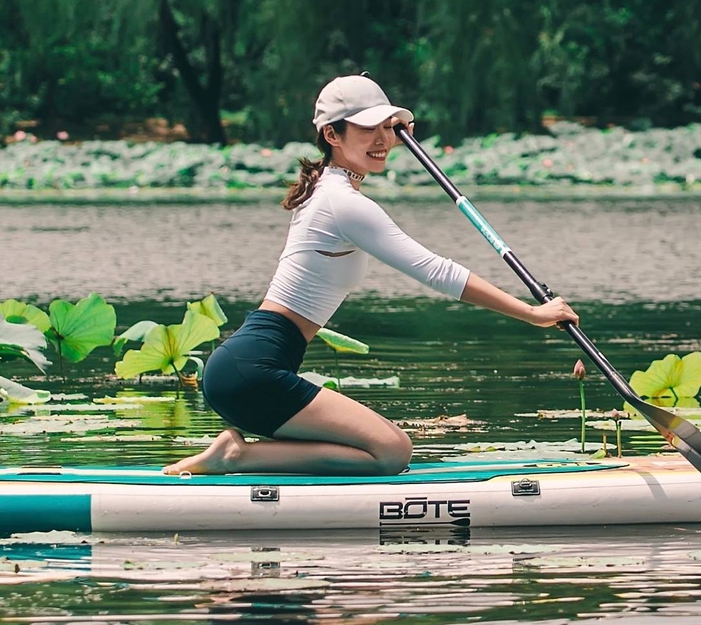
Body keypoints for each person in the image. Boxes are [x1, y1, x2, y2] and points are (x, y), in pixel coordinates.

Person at [164, 75, 578, 476]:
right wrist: (533, 314)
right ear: (332, 135)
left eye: (387, 128)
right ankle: (237, 457)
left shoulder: (328, 187)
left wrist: (395, 132)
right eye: (367, 129)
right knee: (391, 452)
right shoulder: (342, 203)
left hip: (247, 367)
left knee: (383, 450)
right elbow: (435, 271)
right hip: (253, 370)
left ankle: (239, 455)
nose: (382, 140)